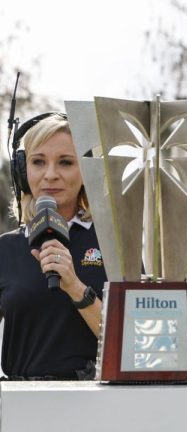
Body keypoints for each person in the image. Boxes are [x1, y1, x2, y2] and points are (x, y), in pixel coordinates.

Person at [0, 113, 105, 380]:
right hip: (20, 400)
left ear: (86, 171)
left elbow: (132, 342)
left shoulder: (113, 245)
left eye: (66, 162)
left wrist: (76, 288)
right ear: (23, 172)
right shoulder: (6, 249)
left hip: (92, 399)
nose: (50, 175)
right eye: (38, 162)